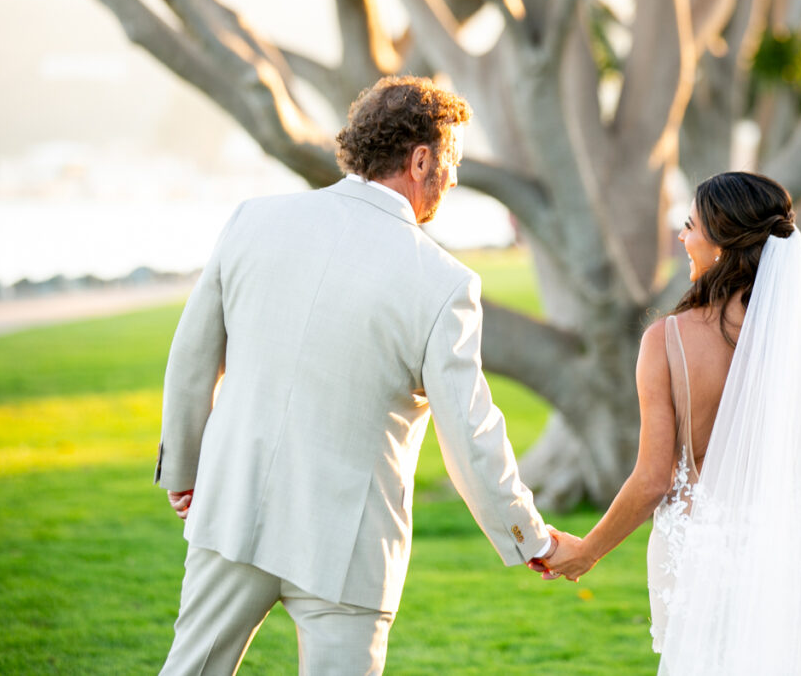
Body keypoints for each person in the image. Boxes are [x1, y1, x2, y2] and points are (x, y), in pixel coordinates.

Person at [154, 76, 569, 676]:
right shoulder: (444, 282)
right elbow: (471, 434)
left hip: (233, 506)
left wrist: (187, 474)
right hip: (347, 547)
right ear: (420, 158)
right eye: (450, 161)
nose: (452, 178)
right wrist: (531, 536)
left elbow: (192, 358)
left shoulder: (252, 220)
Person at [538, 172, 801, 675]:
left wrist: (587, 552)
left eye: (690, 226)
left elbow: (652, 480)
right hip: (785, 565)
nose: (681, 237)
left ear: (721, 244)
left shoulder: (666, 341)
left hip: (694, 561)